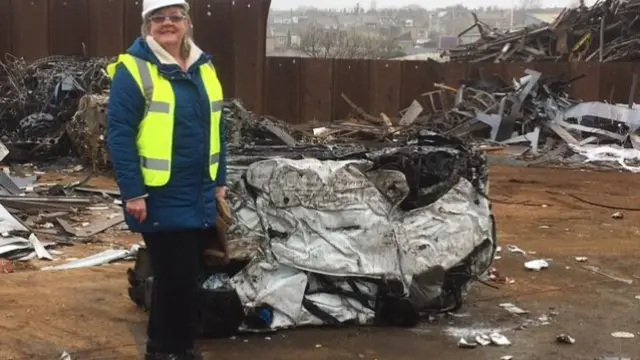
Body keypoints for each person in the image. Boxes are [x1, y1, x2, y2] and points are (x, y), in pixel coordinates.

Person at [105, 0, 227, 358]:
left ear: (187, 23)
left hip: (198, 189)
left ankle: (178, 348)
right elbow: (120, 134)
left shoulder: (203, 66)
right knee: (175, 276)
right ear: (147, 25)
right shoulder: (135, 69)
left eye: (175, 17)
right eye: (158, 18)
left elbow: (218, 127)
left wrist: (219, 178)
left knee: (185, 276)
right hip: (157, 192)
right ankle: (165, 350)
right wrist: (133, 192)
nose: (167, 23)